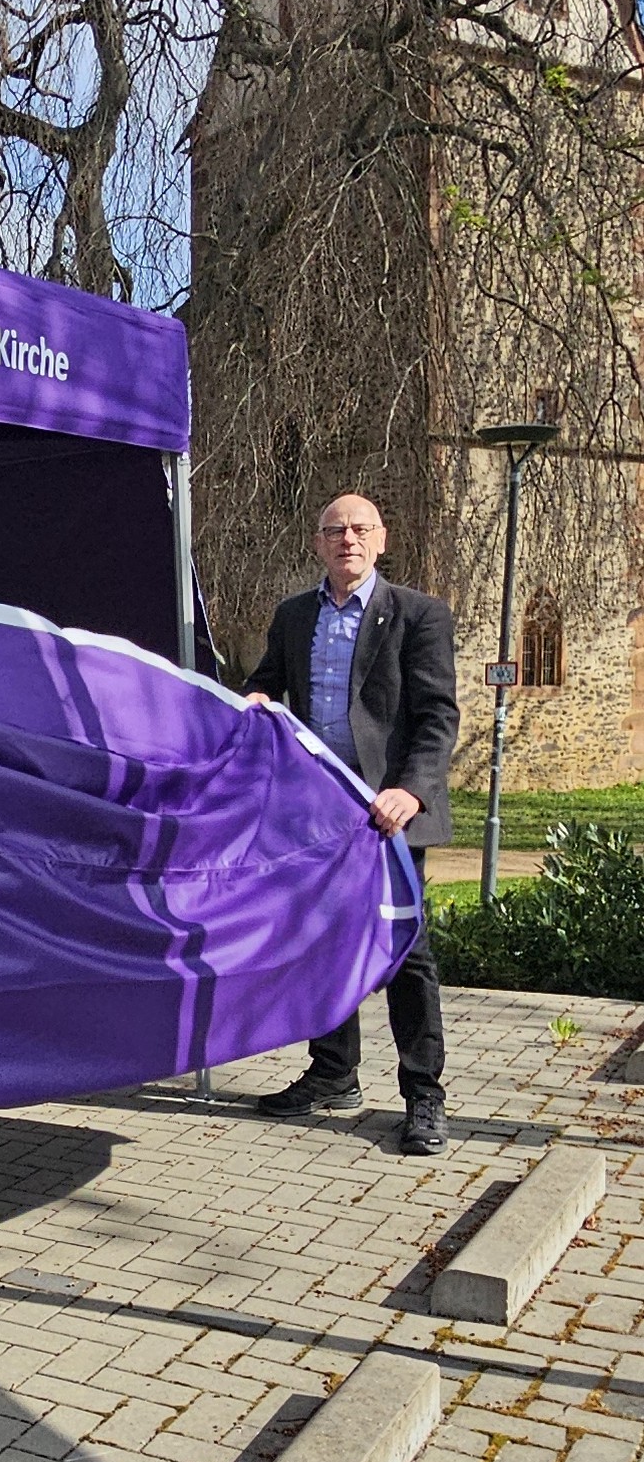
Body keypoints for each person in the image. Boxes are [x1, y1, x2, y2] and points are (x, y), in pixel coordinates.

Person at [243, 492, 459, 1155]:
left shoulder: (418, 614)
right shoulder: (293, 615)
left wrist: (411, 791)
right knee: (321, 943)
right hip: (318, 812)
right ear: (318, 542)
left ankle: (424, 1096)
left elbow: (437, 716)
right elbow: (267, 685)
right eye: (335, 529)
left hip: (388, 815)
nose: (348, 539)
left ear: (381, 539)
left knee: (404, 954)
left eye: (360, 528)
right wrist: (252, 701)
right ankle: (334, 1072)